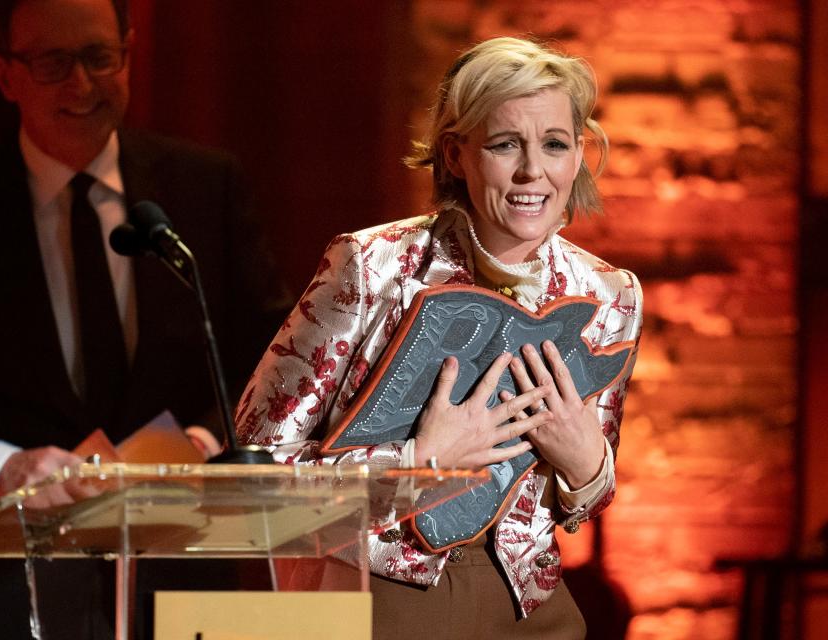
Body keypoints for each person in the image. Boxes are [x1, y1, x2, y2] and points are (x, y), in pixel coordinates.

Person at [0, 0, 285, 637]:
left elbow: (274, 359)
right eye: (51, 62)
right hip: (2, 591)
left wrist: (205, 440)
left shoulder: (206, 188)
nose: (81, 83)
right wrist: (2, 467)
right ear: (3, 74)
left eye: (98, 57)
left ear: (128, 51)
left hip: (177, 581)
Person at [235, 36, 643, 639]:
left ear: (578, 154)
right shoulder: (371, 266)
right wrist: (417, 465)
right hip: (378, 594)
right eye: (506, 145)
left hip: (529, 606)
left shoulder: (610, 295)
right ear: (456, 155)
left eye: (555, 145)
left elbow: (581, 499)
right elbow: (253, 477)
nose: (534, 172)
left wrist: (587, 465)